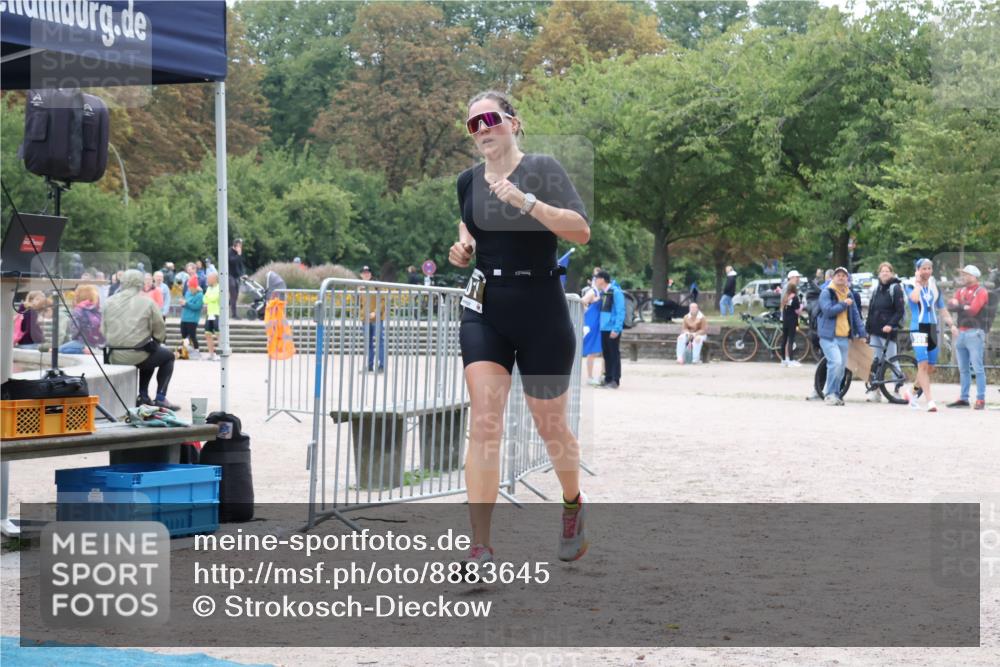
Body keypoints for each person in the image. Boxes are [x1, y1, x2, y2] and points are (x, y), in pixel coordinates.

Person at [450, 89, 591, 568]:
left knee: (551, 427)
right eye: (473, 124)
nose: (482, 129)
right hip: (486, 308)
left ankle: (572, 502)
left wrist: (527, 202)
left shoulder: (543, 170)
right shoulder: (468, 181)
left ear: (512, 122)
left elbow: (580, 230)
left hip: (541, 310)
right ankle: (481, 546)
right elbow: (468, 227)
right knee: (484, 421)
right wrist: (463, 248)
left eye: (489, 119)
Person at [102, 270, 179, 410]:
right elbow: (160, 328)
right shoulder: (147, 302)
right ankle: (159, 397)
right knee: (166, 356)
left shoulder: (108, 302)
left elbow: (103, 330)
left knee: (149, 350)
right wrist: (157, 340)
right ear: (140, 284)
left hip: (113, 355)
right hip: (138, 354)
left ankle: (144, 396)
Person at [902, 258, 956, 412]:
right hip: (918, 328)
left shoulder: (934, 287)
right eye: (923, 268)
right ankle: (930, 401)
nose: (927, 271)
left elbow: (942, 309)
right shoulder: (910, 285)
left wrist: (951, 325)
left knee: (930, 367)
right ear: (918, 270)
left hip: (932, 328)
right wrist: (918, 284)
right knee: (923, 365)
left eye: (929, 268)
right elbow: (914, 298)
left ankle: (912, 392)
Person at [816, 267, 867, 406]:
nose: (841, 277)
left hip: (844, 337)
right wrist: (844, 304)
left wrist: (862, 333)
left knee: (841, 368)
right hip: (828, 336)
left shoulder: (848, 294)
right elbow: (827, 311)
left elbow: (855, 315)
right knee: (835, 363)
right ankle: (829, 394)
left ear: (847, 279)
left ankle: (836, 394)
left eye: (844, 276)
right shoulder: (827, 292)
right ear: (833, 278)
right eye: (838, 275)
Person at [947, 265, 989, 410]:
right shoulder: (961, 291)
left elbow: (973, 310)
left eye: (966, 274)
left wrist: (960, 305)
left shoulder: (981, 291)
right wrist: (963, 306)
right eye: (963, 274)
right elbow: (950, 306)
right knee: (963, 369)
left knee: (978, 368)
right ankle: (964, 398)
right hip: (961, 332)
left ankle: (980, 399)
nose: (963, 277)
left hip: (975, 332)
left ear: (974, 276)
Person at [864, 262, 905, 402]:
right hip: (875, 330)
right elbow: (871, 310)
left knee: (891, 360)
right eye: (882, 271)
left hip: (888, 332)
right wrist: (867, 329)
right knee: (875, 361)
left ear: (891, 273)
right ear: (879, 273)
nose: (885, 273)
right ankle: (876, 391)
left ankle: (897, 390)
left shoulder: (895, 288)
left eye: (887, 271)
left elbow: (900, 311)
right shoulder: (876, 289)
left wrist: (890, 324)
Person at [593, 270, 624, 387]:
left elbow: (621, 311)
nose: (595, 281)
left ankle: (615, 380)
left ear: (602, 279)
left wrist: (616, 329)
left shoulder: (616, 292)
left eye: (596, 278)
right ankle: (608, 378)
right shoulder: (603, 293)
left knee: (614, 354)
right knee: (606, 354)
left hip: (612, 328)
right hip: (604, 328)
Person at [58, 285, 104, 354]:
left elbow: (74, 332)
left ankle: (85, 350)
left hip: (82, 343)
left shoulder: (78, 310)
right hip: (98, 344)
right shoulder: (98, 310)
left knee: (58, 350)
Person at [358, 265, 386, 373]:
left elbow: (383, 300)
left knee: (379, 342)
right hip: (365, 319)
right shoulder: (360, 287)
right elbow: (360, 303)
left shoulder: (376, 285)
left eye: (368, 273)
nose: (366, 274)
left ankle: (381, 366)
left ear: (371, 274)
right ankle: (369, 366)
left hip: (377, 319)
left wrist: (376, 312)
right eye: (364, 273)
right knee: (368, 343)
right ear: (361, 275)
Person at [580, 275, 603, 385]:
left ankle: (597, 376)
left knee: (594, 350)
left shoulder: (600, 292)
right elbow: (582, 301)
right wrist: (589, 306)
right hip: (591, 323)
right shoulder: (593, 291)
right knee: (591, 350)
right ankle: (589, 376)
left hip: (597, 323)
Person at [780, 270, 803, 367]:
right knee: (790, 339)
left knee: (785, 339)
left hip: (786, 317)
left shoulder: (787, 293)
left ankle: (784, 359)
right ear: (792, 277)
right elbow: (797, 308)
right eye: (797, 277)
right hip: (792, 319)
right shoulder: (791, 291)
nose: (798, 279)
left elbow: (783, 303)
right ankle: (790, 359)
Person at [179, 276, 204, 360]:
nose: (189, 289)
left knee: (192, 335)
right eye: (189, 287)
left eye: (191, 287)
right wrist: (183, 303)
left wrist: (186, 304)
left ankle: (197, 350)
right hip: (184, 318)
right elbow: (185, 303)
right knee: (184, 336)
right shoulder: (187, 293)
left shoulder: (200, 295)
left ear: (195, 287)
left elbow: (197, 306)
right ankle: (185, 352)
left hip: (193, 319)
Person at [203, 272, 221, 361]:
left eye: (209, 278)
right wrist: (209, 298)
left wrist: (208, 298)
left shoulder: (220, 288)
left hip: (217, 313)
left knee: (219, 334)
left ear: (214, 279)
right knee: (207, 334)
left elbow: (215, 298)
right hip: (209, 313)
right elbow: (204, 299)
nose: (207, 280)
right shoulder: (208, 288)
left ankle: (221, 354)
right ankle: (211, 354)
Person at [229, 238, 246, 318]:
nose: (240, 247)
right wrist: (238, 254)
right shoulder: (230, 252)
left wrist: (243, 274)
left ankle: (230, 305)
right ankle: (234, 314)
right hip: (229, 275)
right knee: (233, 294)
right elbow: (232, 261)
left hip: (236, 276)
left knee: (236, 295)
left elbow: (240, 265)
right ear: (236, 245)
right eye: (240, 246)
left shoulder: (238, 253)